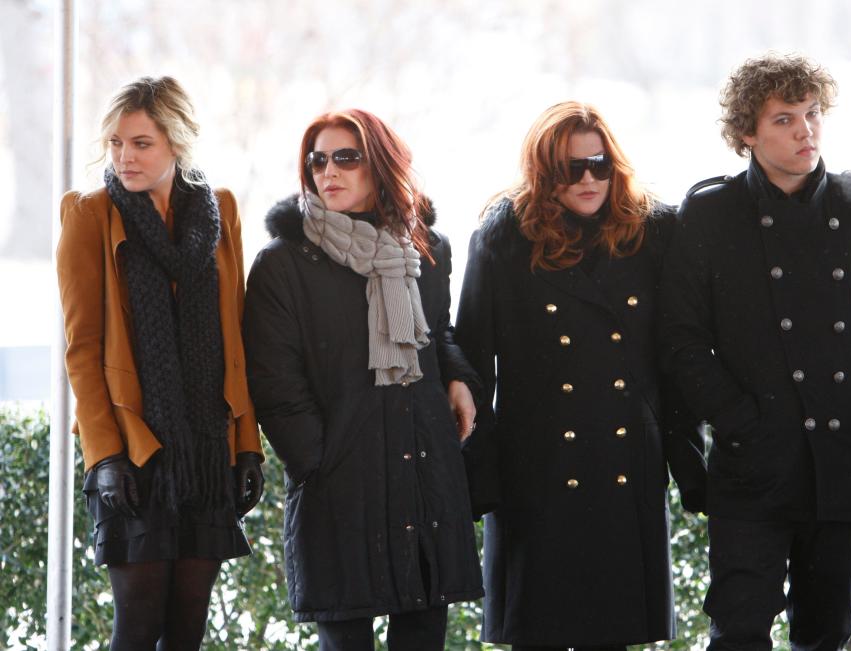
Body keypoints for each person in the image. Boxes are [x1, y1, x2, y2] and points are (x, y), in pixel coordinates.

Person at [659, 53, 851, 649]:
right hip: (753, 466)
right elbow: (682, 338)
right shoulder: (710, 212)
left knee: (827, 634)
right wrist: (739, 421)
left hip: (847, 459)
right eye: (784, 119)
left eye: (812, 113)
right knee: (739, 633)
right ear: (746, 133)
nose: (806, 130)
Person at [455, 101, 707, 650]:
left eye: (600, 165)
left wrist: (691, 464)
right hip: (537, 473)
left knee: (613, 636)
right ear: (544, 174)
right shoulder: (504, 240)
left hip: (625, 467)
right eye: (573, 168)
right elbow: (473, 362)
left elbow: (676, 358)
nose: (590, 179)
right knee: (537, 636)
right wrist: (479, 483)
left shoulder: (653, 234)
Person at [243, 108, 483, 651]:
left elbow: (436, 334)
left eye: (346, 158)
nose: (329, 170)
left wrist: (459, 379)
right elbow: (273, 380)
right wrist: (317, 461)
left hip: (422, 473)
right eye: (318, 159)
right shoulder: (284, 263)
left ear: (381, 164)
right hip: (338, 486)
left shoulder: (426, 250)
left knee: (423, 636)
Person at [56, 76, 264, 650]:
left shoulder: (218, 210)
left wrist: (247, 443)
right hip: (133, 453)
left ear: (176, 143)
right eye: (117, 142)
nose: (124, 156)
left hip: (205, 451)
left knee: (188, 629)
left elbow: (234, 340)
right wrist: (104, 457)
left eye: (141, 143)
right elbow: (82, 349)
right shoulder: (89, 215)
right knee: (138, 625)